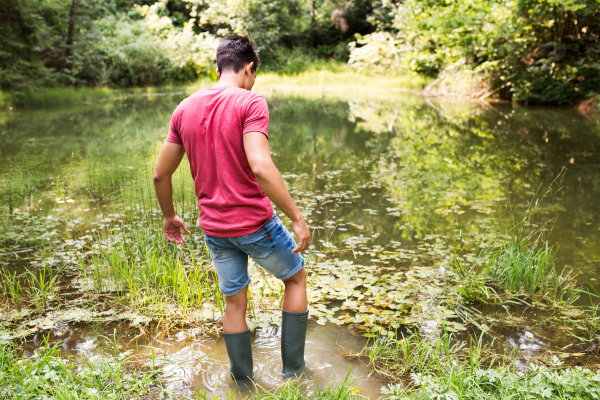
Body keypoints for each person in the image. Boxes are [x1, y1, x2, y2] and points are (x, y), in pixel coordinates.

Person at [152, 35, 311, 380]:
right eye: (255, 74)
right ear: (249, 68)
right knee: (296, 279)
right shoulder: (250, 102)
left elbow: (160, 174)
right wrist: (297, 218)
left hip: (215, 229)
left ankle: (242, 382)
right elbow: (260, 166)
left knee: (235, 303)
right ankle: (295, 374)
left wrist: (170, 216)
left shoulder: (184, 108)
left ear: (218, 66)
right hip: (255, 223)